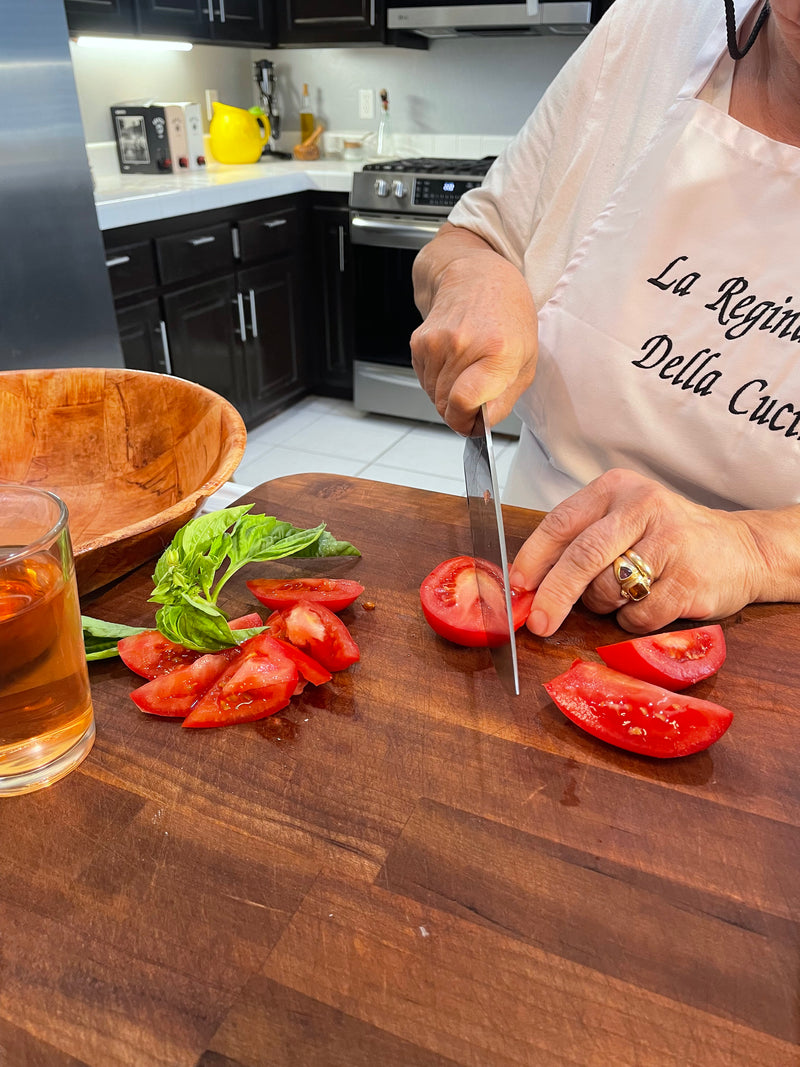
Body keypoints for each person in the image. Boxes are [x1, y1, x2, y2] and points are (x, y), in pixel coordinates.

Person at [410, 0, 800, 639]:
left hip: (768, 628)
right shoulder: (651, 24)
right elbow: (470, 240)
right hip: (536, 559)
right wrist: (474, 277)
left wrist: (756, 549)